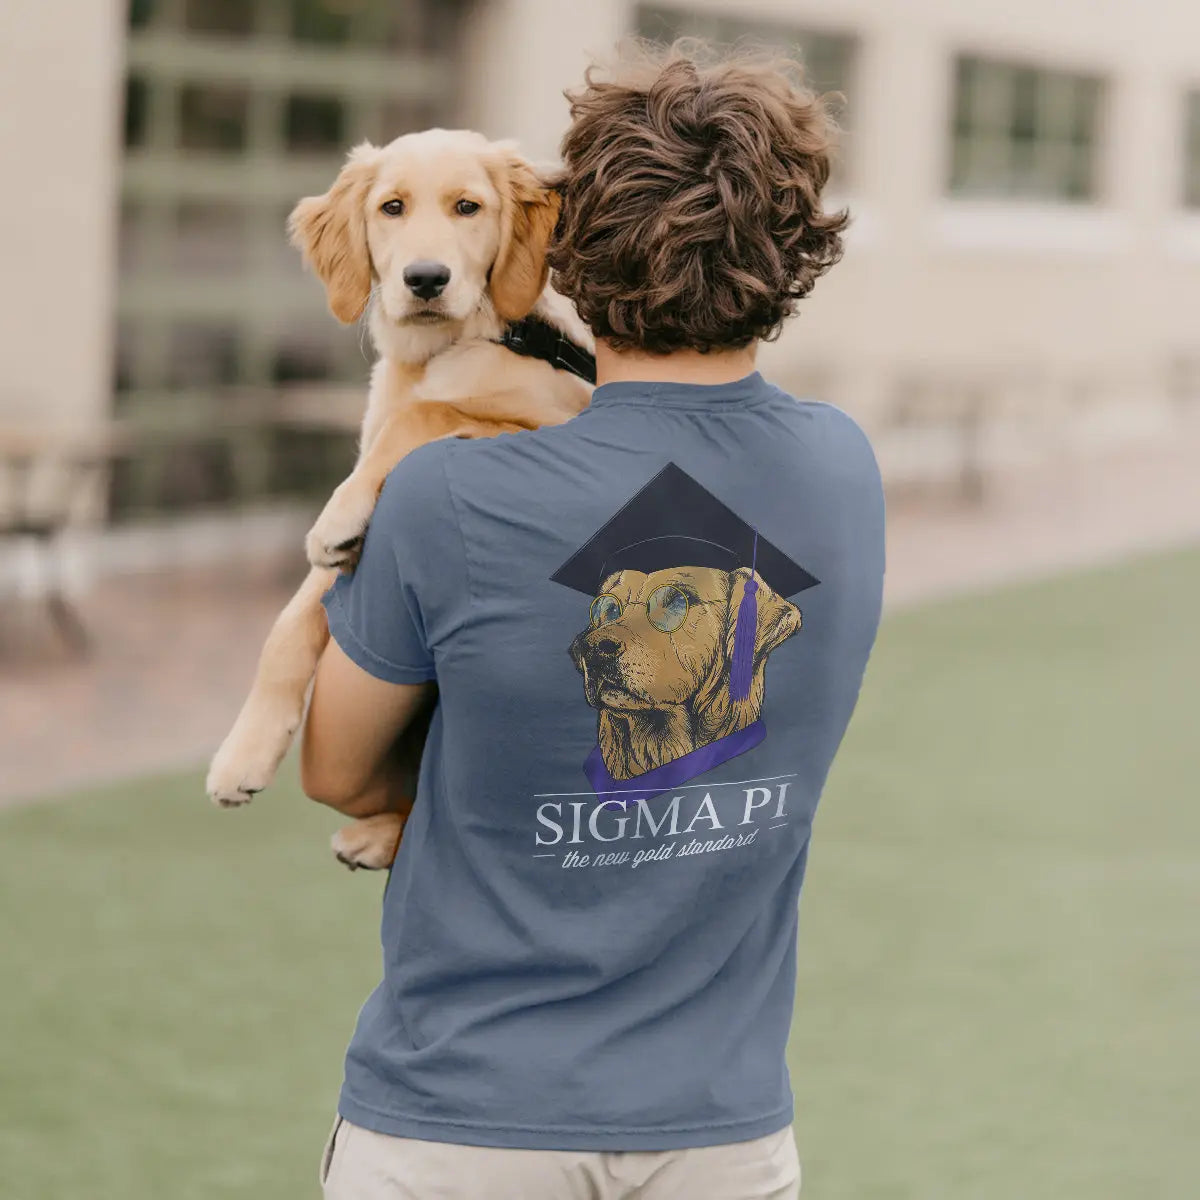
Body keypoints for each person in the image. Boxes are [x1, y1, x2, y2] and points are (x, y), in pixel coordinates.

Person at [301, 39, 885, 1200]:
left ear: (566, 242)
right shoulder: (842, 467)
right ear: (795, 253)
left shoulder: (446, 489)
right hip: (722, 1140)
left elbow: (334, 770)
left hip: (459, 1124)